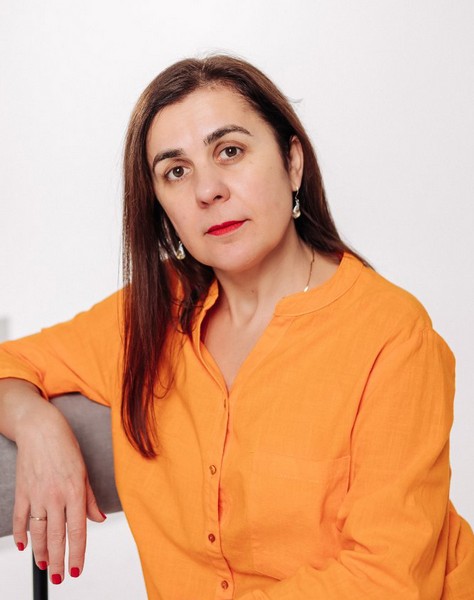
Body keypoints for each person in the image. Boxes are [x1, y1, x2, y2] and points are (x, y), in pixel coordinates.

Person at [0, 55, 473, 599]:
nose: (208, 190)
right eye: (176, 171)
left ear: (292, 163)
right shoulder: (149, 314)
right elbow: (13, 362)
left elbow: (385, 579)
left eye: (230, 151)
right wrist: (37, 425)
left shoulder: (393, 336)